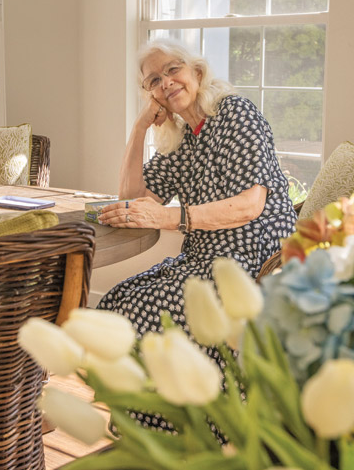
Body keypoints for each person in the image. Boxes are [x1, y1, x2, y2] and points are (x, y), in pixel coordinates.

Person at [97, 38, 296, 340]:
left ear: (198, 74)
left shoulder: (234, 113)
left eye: (172, 69)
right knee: (111, 304)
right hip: (201, 261)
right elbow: (132, 202)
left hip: (249, 262)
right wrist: (139, 128)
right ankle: (152, 386)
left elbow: (249, 205)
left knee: (128, 319)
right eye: (154, 80)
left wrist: (166, 217)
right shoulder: (182, 138)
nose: (166, 82)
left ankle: (176, 384)